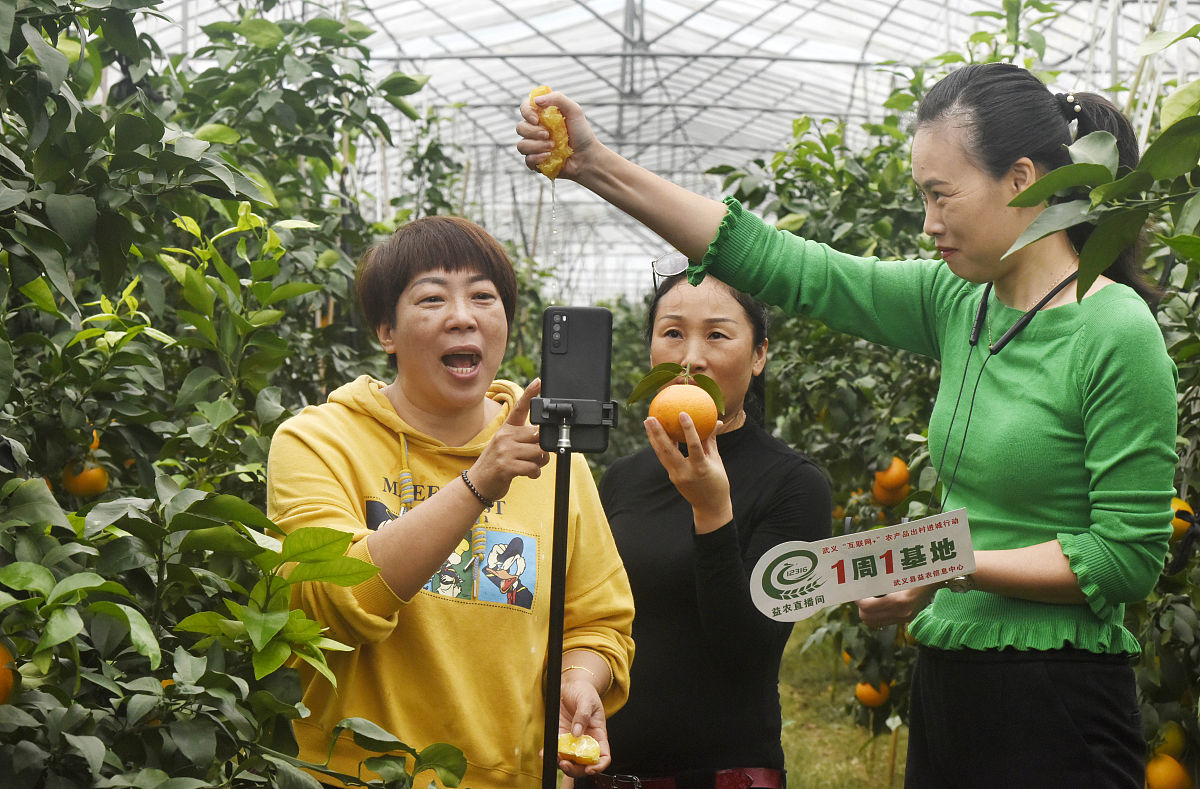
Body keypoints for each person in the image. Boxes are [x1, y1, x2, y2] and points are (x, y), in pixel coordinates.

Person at [516, 62, 1177, 789]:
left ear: (1020, 180)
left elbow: (1126, 558)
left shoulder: (1114, 328)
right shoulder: (960, 304)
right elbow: (787, 265)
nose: (928, 221)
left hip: (1060, 704)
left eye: (940, 194)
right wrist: (593, 163)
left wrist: (941, 562)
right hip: (950, 685)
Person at [267, 215, 636, 789]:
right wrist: (476, 486)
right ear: (386, 330)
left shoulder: (554, 459)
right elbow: (334, 599)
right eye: (433, 298)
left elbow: (598, 621)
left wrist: (580, 678)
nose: (463, 316)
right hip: (359, 778)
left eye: (483, 297)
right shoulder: (318, 442)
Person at [588, 266, 831, 789]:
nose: (691, 357)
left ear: (759, 355)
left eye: (717, 334)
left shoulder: (797, 486)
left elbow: (750, 650)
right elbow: (590, 618)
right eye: (672, 332)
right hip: (607, 770)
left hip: (725, 775)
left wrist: (712, 513)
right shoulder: (621, 478)